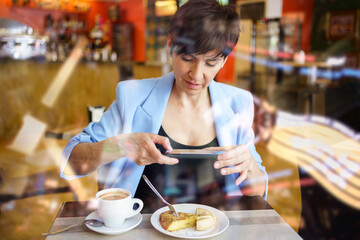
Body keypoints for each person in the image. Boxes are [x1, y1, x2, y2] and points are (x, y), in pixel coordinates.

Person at [61, 0, 268, 208]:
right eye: (187, 58)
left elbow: (257, 191)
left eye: (210, 63)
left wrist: (249, 166)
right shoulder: (133, 97)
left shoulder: (238, 103)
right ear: (170, 45)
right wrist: (123, 146)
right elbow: (71, 161)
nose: (196, 75)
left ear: (224, 59)